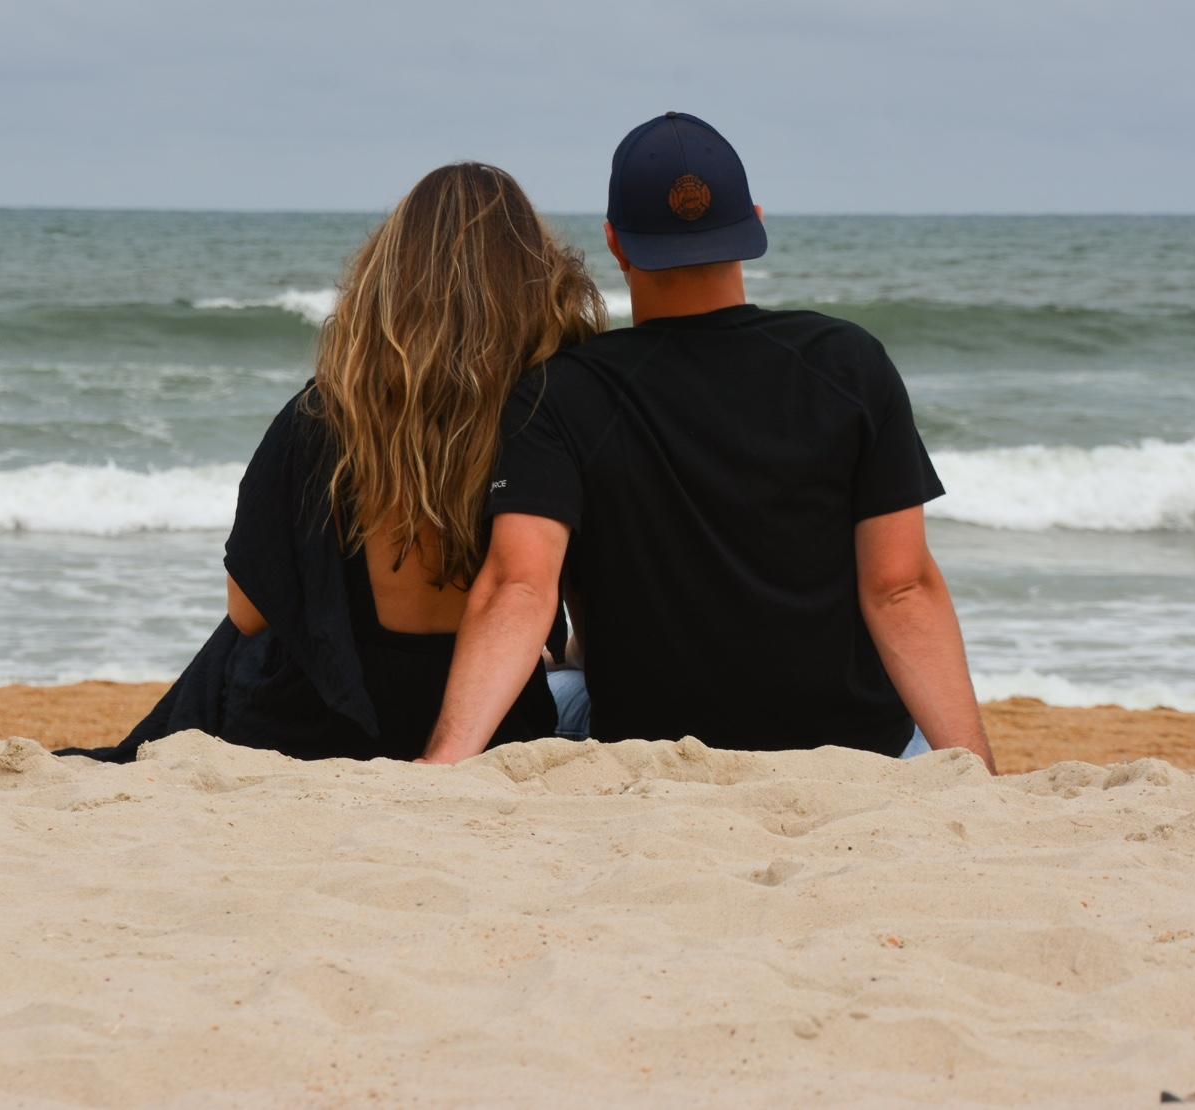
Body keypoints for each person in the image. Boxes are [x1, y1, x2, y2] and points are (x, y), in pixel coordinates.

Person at [420, 113, 996, 771]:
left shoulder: (561, 391)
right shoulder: (848, 362)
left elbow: (520, 585)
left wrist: (444, 764)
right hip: (857, 747)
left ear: (615, 242)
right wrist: (977, 773)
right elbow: (901, 588)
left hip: (658, 756)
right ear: (755, 224)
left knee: (557, 688)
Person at [60, 163, 606, 763]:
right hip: (494, 722)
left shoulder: (323, 415)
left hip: (322, 727)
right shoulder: (550, 419)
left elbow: (247, 612)